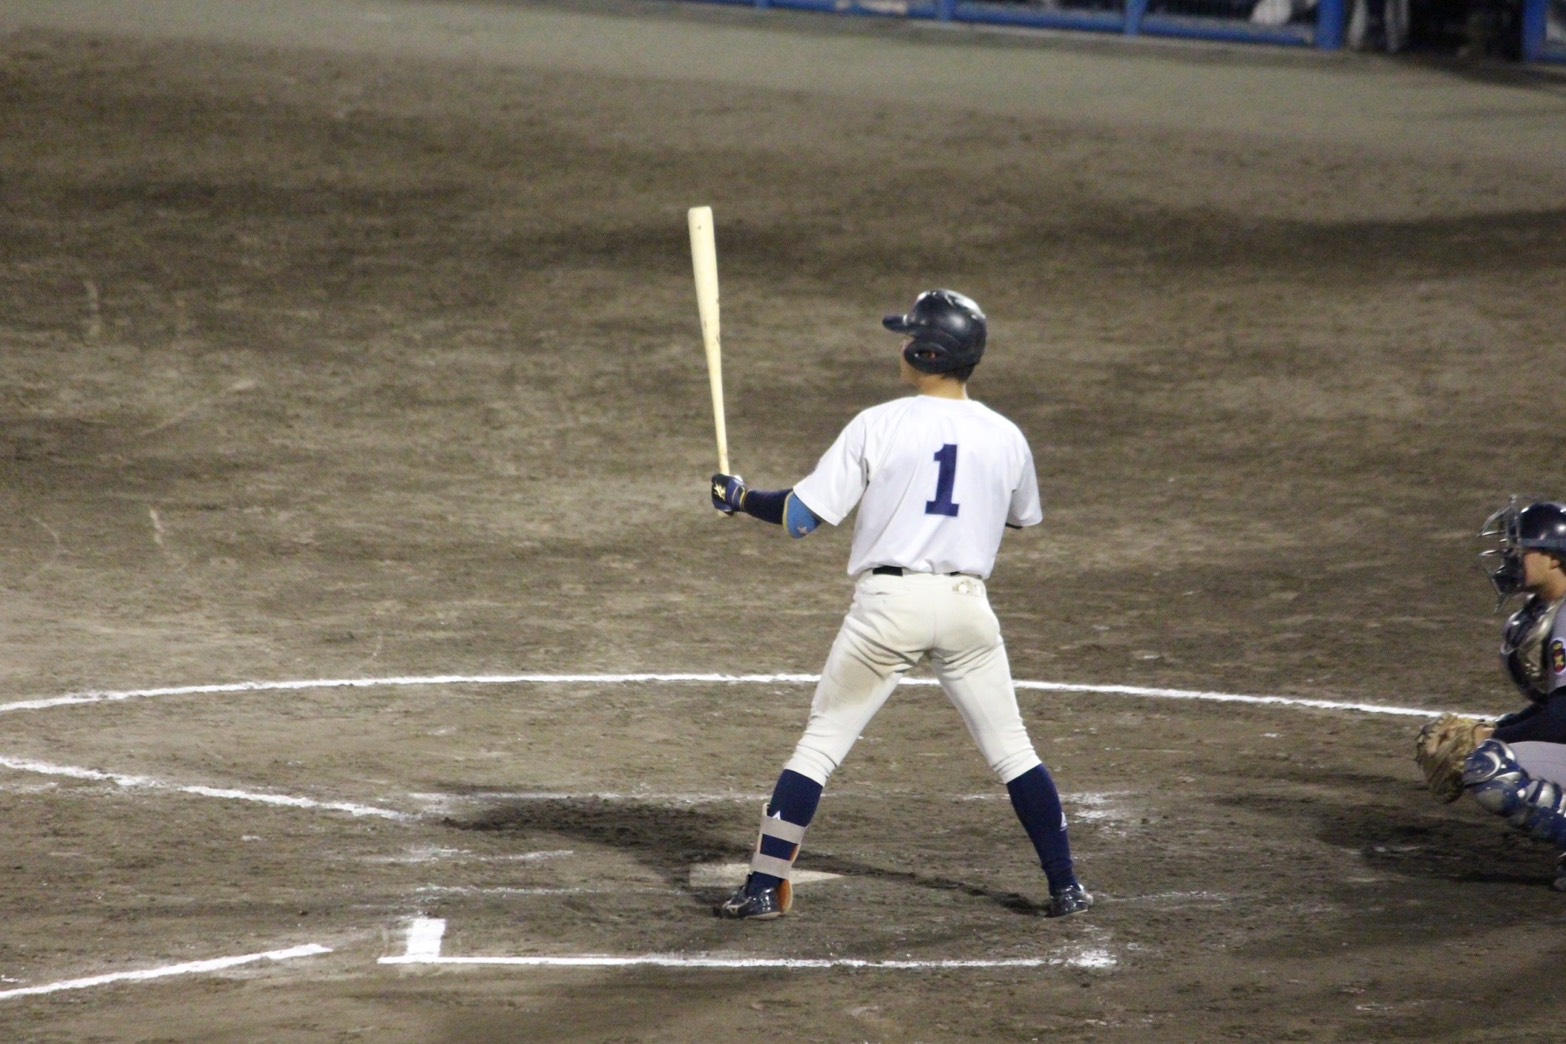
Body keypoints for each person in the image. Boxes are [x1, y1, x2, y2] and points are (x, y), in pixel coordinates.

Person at [705, 289, 1091, 921]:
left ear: (925, 353)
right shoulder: (1007, 435)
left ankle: (762, 888)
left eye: (908, 337)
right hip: (968, 609)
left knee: (820, 746)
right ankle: (1066, 885)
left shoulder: (879, 423)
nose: (900, 345)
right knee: (1014, 750)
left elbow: (801, 518)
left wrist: (740, 497)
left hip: (888, 610)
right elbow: (1022, 517)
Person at [1459, 497, 1566, 890]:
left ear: (1554, 558)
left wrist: (1494, 735)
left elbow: (1562, 720)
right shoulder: (1552, 609)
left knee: (1491, 767)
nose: (1510, 557)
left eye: (1522, 549)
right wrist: (1502, 728)